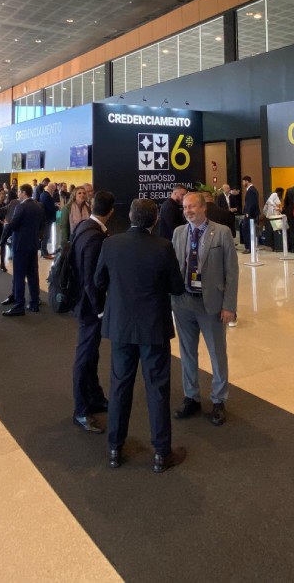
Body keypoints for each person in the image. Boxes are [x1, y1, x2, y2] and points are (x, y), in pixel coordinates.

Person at [94, 198, 187, 472]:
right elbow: (177, 287)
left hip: (121, 327)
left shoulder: (110, 244)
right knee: (157, 389)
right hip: (153, 328)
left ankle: (114, 449)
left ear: (130, 216)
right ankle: (161, 453)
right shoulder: (163, 247)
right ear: (155, 220)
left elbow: (99, 281)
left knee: (120, 386)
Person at [171, 190, 239, 426]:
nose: (187, 211)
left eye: (191, 207)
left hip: (211, 304)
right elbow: (174, 267)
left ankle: (219, 399)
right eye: (185, 208)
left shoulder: (222, 233)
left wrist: (229, 305)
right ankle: (191, 397)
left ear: (203, 208)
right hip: (183, 303)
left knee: (217, 353)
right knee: (187, 352)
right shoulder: (179, 233)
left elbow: (232, 272)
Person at [71, 190, 114, 433]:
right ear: (111, 211)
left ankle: (94, 396)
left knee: (91, 354)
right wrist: (99, 309)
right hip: (89, 308)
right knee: (84, 356)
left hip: (83, 303)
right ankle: (81, 410)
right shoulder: (95, 236)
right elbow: (91, 279)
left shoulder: (84, 227)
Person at [1, 183, 44, 316]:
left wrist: (5, 230)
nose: (18, 194)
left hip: (20, 245)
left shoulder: (21, 206)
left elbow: (14, 224)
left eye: (20, 192)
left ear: (24, 192)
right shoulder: (38, 206)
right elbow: (43, 225)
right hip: (33, 244)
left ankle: (19, 305)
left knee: (19, 275)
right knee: (33, 274)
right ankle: (34, 302)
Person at [38, 182, 58, 258]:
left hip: (45, 218)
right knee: (46, 236)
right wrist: (56, 208)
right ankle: (44, 253)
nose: (54, 190)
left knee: (45, 236)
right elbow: (49, 208)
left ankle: (44, 251)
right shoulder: (47, 196)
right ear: (50, 187)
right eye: (53, 189)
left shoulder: (43, 194)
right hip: (47, 218)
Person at [240, 175, 260, 252]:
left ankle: (248, 247)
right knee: (247, 229)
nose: (243, 184)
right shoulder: (252, 189)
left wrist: (248, 212)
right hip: (251, 214)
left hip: (250, 214)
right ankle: (249, 247)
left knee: (246, 229)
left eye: (243, 182)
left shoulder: (251, 190)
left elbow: (251, 203)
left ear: (247, 181)